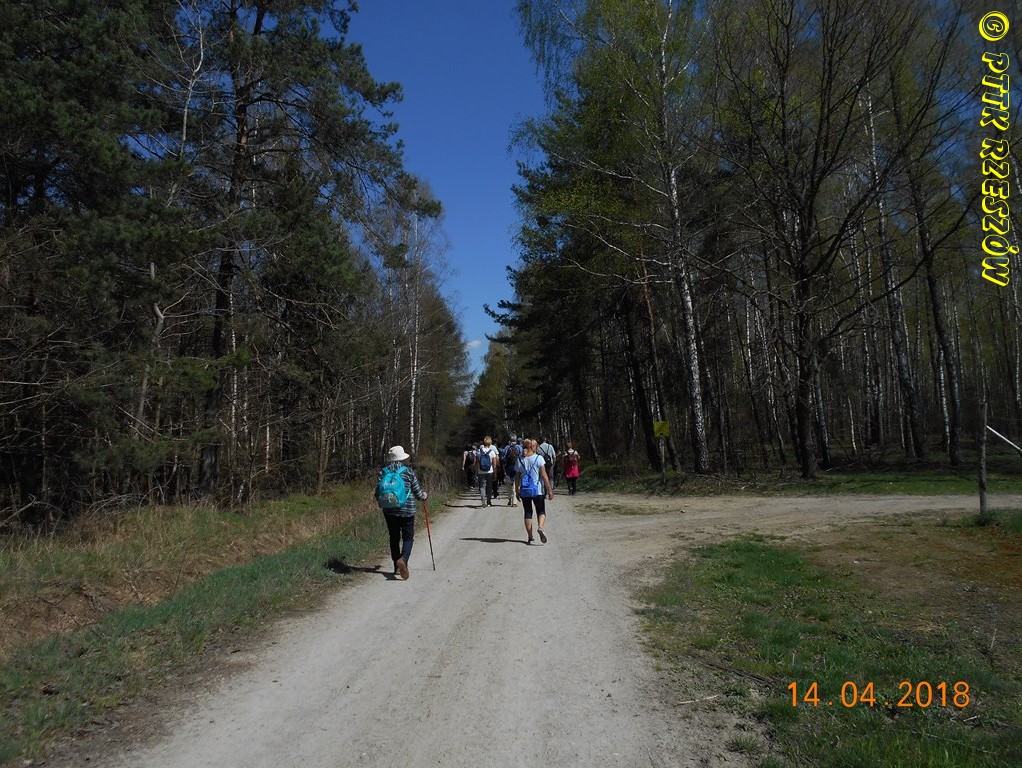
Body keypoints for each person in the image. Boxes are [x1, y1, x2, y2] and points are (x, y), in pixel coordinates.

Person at [376, 445, 427, 580]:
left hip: (389, 511)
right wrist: (424, 496)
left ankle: (397, 567)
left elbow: (377, 493)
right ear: (402, 458)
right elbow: (418, 493)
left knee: (394, 537)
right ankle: (403, 560)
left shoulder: (383, 472)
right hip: (407, 510)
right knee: (408, 537)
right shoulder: (408, 472)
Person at [515, 439, 553, 544]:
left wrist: (517, 491)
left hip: (525, 490)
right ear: (533, 447)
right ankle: (540, 527)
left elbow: (517, 478)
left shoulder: (519, 459)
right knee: (541, 511)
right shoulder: (539, 458)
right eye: (536, 446)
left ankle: (530, 537)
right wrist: (549, 490)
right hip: (538, 490)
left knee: (528, 512)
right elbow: (544, 475)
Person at [475, 436, 500, 507]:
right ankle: (489, 501)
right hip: (490, 472)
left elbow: (477, 463)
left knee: (482, 486)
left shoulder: (479, 452)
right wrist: (495, 474)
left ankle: (483, 499)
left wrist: (476, 471)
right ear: (490, 443)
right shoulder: (492, 452)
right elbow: (494, 465)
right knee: (489, 487)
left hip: (481, 471)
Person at [502, 435, 521, 507]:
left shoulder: (506, 448)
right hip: (517, 468)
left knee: (508, 485)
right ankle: (514, 501)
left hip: (508, 468)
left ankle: (510, 498)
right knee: (515, 484)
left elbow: (503, 458)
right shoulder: (519, 447)